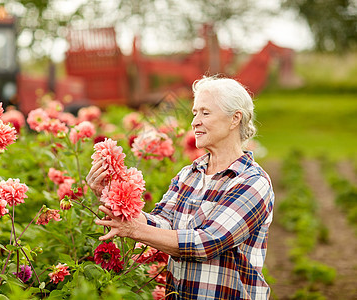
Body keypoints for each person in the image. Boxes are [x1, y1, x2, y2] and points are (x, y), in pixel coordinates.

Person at [86, 75, 274, 299]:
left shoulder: (252, 181)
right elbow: (161, 222)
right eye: (195, 113)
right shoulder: (189, 174)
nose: (195, 121)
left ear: (234, 119)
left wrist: (135, 230)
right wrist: (109, 194)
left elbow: (207, 242)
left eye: (205, 112)